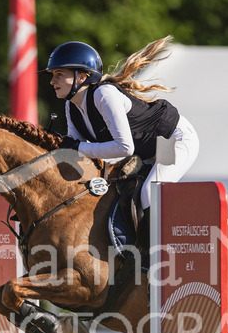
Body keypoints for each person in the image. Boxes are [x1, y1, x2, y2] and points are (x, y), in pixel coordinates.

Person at [43, 36, 199, 212]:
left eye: (59, 74)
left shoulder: (104, 95)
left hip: (171, 140)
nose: (52, 81)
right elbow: (75, 149)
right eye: (53, 75)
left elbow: (124, 148)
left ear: (82, 77)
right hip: (145, 150)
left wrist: (75, 147)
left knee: (149, 193)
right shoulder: (70, 106)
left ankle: (160, 240)